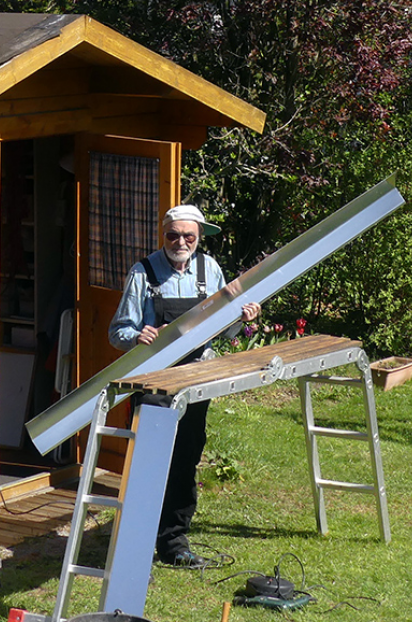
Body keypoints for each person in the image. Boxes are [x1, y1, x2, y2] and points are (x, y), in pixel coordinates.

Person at [108, 204, 261, 568]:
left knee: (186, 458)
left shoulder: (210, 270)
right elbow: (118, 332)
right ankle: (135, 542)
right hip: (154, 382)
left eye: (188, 236)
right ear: (163, 235)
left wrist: (242, 318)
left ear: (199, 237)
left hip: (195, 381)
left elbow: (224, 328)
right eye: (172, 235)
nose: (180, 242)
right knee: (148, 459)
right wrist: (137, 336)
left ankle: (174, 540)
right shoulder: (143, 273)